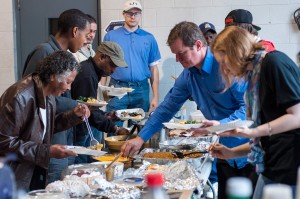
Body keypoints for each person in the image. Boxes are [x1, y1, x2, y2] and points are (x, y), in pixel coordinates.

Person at [120, 21, 255, 199]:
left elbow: (248, 109)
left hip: (249, 153)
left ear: (198, 45)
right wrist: (140, 138)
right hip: (225, 154)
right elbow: (167, 107)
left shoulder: (224, 63)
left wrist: (218, 126)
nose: (177, 59)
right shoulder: (189, 75)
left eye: (181, 53)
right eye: (175, 54)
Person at [210, 26, 300, 199]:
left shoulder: (273, 63)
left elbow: (297, 115)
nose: (224, 69)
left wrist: (252, 131)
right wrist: (232, 152)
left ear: (235, 51)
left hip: (289, 165)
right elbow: (264, 138)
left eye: (223, 62)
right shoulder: (255, 75)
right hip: (271, 164)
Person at [0, 51, 90, 191]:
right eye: (68, 82)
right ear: (53, 76)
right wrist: (46, 151)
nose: (69, 88)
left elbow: (45, 126)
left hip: (32, 170)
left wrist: (74, 116)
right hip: (13, 174)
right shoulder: (20, 97)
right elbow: (4, 143)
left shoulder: (47, 93)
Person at [21, 9, 91, 183]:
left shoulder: (63, 55)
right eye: (86, 34)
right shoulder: (43, 51)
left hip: (62, 130)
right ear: (75, 31)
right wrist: (73, 104)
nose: (86, 41)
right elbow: (34, 96)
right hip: (49, 139)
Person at [71, 42, 130, 163]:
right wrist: (115, 129)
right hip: (79, 131)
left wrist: (105, 116)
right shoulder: (87, 75)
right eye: (112, 65)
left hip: (84, 127)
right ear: (101, 57)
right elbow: (86, 111)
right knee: (82, 169)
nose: (114, 70)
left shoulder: (91, 70)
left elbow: (90, 108)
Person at [103, 0, 161, 113]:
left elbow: (153, 68)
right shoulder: (110, 36)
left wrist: (155, 97)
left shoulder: (149, 38)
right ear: (123, 14)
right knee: (112, 126)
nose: (133, 16)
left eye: (136, 13)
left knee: (140, 127)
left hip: (141, 89)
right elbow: (104, 65)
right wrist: (102, 91)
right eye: (129, 13)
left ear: (140, 15)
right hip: (117, 88)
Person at [199, 21, 218, 199]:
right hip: (212, 123)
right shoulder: (192, 71)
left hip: (225, 126)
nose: (209, 39)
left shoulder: (223, 64)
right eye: (206, 36)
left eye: (212, 35)